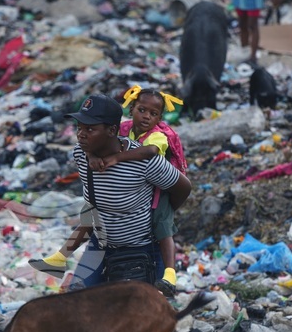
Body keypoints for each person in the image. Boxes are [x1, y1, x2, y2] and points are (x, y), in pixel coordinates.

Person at [29, 94, 191, 293]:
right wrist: (91, 155)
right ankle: (58, 259)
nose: (81, 135)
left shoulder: (144, 161)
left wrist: (162, 212)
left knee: (131, 316)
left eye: (90, 129)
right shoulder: (81, 154)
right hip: (100, 244)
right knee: (79, 301)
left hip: (139, 250)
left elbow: (183, 187)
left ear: (112, 130)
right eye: (79, 128)